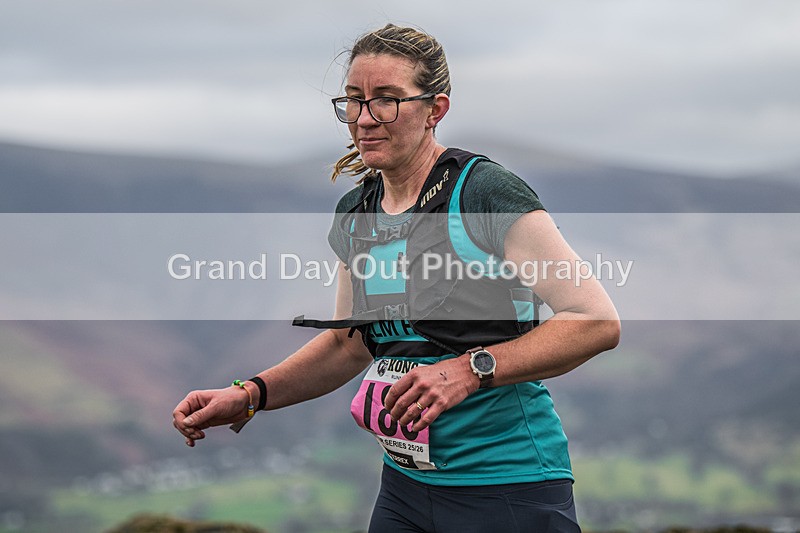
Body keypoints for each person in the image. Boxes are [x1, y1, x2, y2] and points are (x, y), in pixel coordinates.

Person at [173, 23, 620, 532]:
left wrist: (467, 369)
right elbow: (347, 346)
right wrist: (250, 395)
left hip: (508, 486)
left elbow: (595, 320)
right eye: (354, 100)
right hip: (405, 491)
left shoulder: (485, 193)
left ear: (435, 109)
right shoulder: (356, 213)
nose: (365, 118)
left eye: (386, 100)